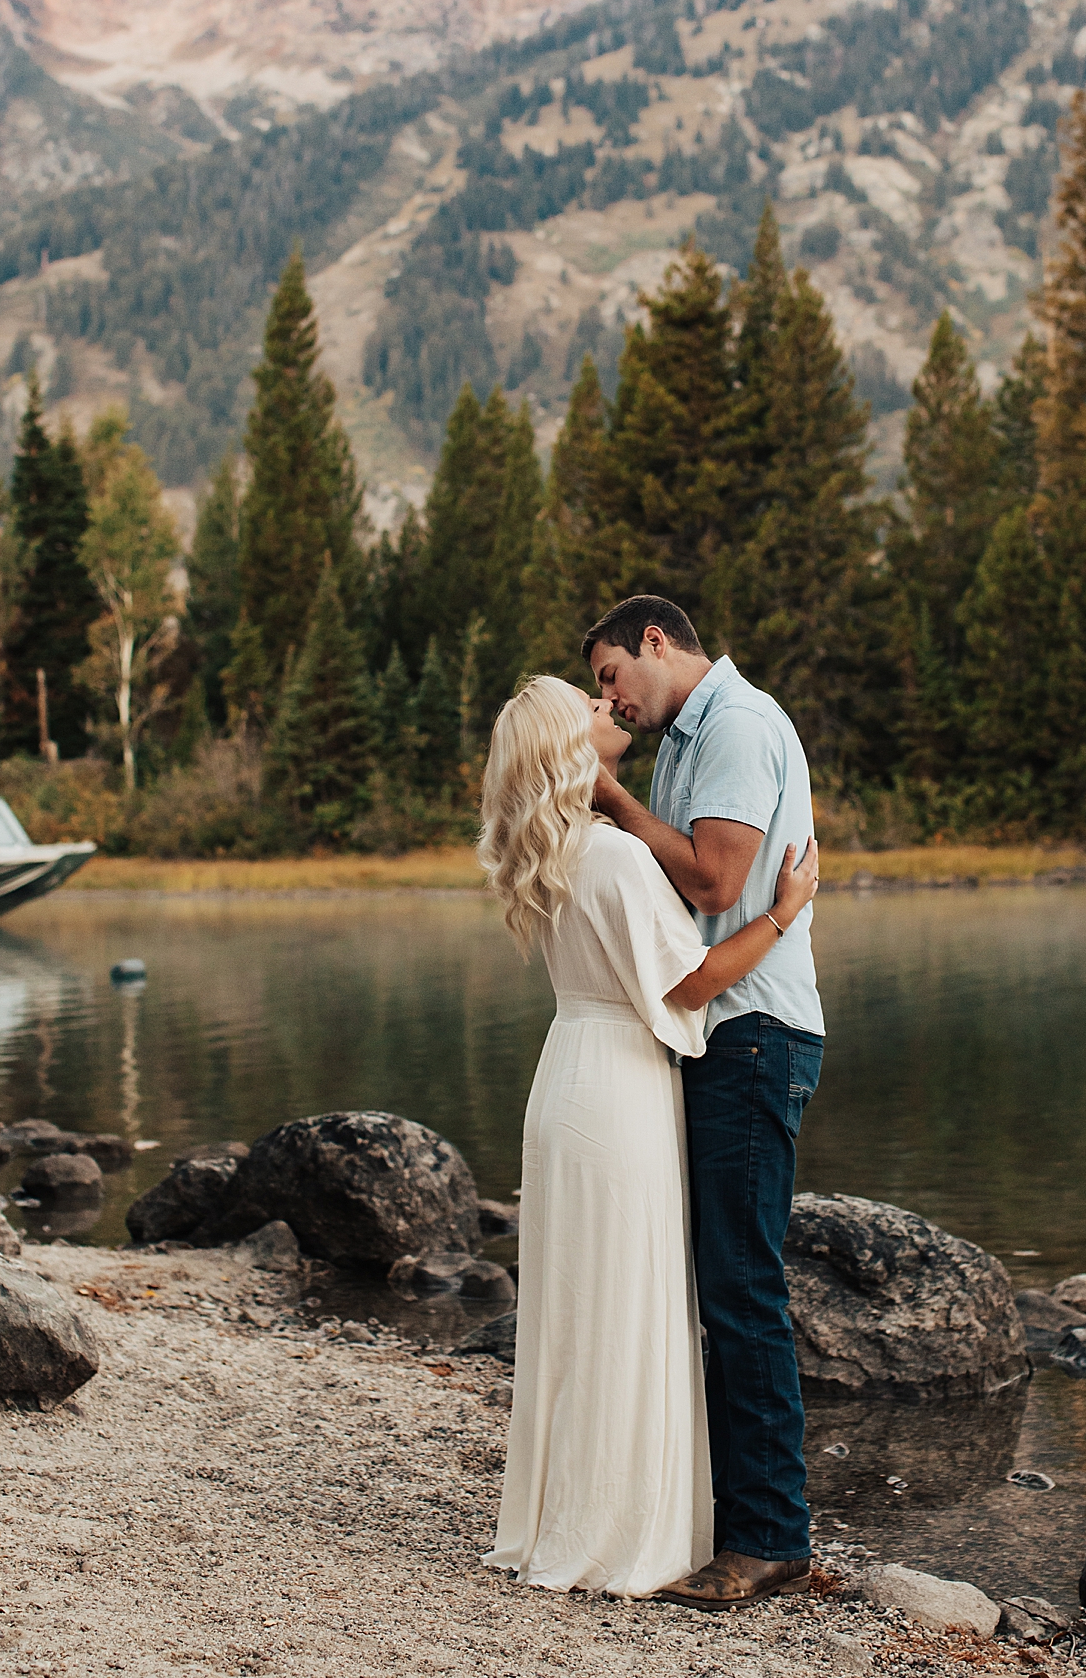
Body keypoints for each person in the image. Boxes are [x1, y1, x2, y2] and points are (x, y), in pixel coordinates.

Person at [478, 675, 818, 1599]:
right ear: (570, 750)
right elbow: (694, 984)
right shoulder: (617, 857)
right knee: (629, 1308)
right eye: (588, 705)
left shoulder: (548, 856)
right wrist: (784, 912)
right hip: (620, 1090)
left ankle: (571, 1515)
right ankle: (630, 1530)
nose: (608, 708)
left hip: (566, 1076)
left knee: (580, 1309)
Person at [584, 596, 824, 1611]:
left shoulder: (731, 724)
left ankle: (770, 1536)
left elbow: (720, 881)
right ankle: (740, 1519)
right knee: (721, 1286)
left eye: (610, 676)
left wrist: (615, 804)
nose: (611, 698)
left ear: (655, 641)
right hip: (718, 1027)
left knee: (741, 1288)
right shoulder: (686, 737)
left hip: (754, 1031)